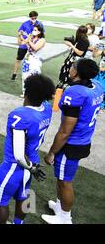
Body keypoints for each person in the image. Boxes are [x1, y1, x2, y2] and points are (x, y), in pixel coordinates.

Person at [42, 58, 103, 224]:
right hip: (84, 137)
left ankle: (65, 218)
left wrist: (51, 152)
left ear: (76, 72)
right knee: (62, 178)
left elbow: (65, 130)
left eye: (73, 67)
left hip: (72, 143)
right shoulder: (96, 86)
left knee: (64, 182)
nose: (70, 69)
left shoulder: (75, 92)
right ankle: (61, 207)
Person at [0, 74, 55, 224]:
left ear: (27, 92)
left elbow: (19, 155)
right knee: (25, 195)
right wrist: (32, 166)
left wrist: (31, 167)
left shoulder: (20, 115)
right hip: (33, 160)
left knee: (1, 202)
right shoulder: (46, 109)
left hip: (14, 166)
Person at [11, 11, 44, 81]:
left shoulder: (39, 24)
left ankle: (33, 77)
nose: (34, 19)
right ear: (30, 17)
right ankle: (14, 74)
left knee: (33, 62)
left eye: (35, 18)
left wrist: (29, 39)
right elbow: (19, 33)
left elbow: (42, 35)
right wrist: (21, 37)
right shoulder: (25, 24)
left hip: (33, 46)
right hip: (25, 45)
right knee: (19, 59)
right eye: (32, 18)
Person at [21, 25, 46, 97]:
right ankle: (25, 92)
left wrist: (29, 40)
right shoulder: (31, 38)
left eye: (35, 30)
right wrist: (21, 36)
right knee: (25, 76)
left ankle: (35, 93)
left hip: (35, 60)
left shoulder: (42, 40)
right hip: (27, 58)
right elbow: (22, 43)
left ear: (39, 32)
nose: (33, 31)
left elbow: (35, 48)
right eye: (33, 30)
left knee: (35, 77)